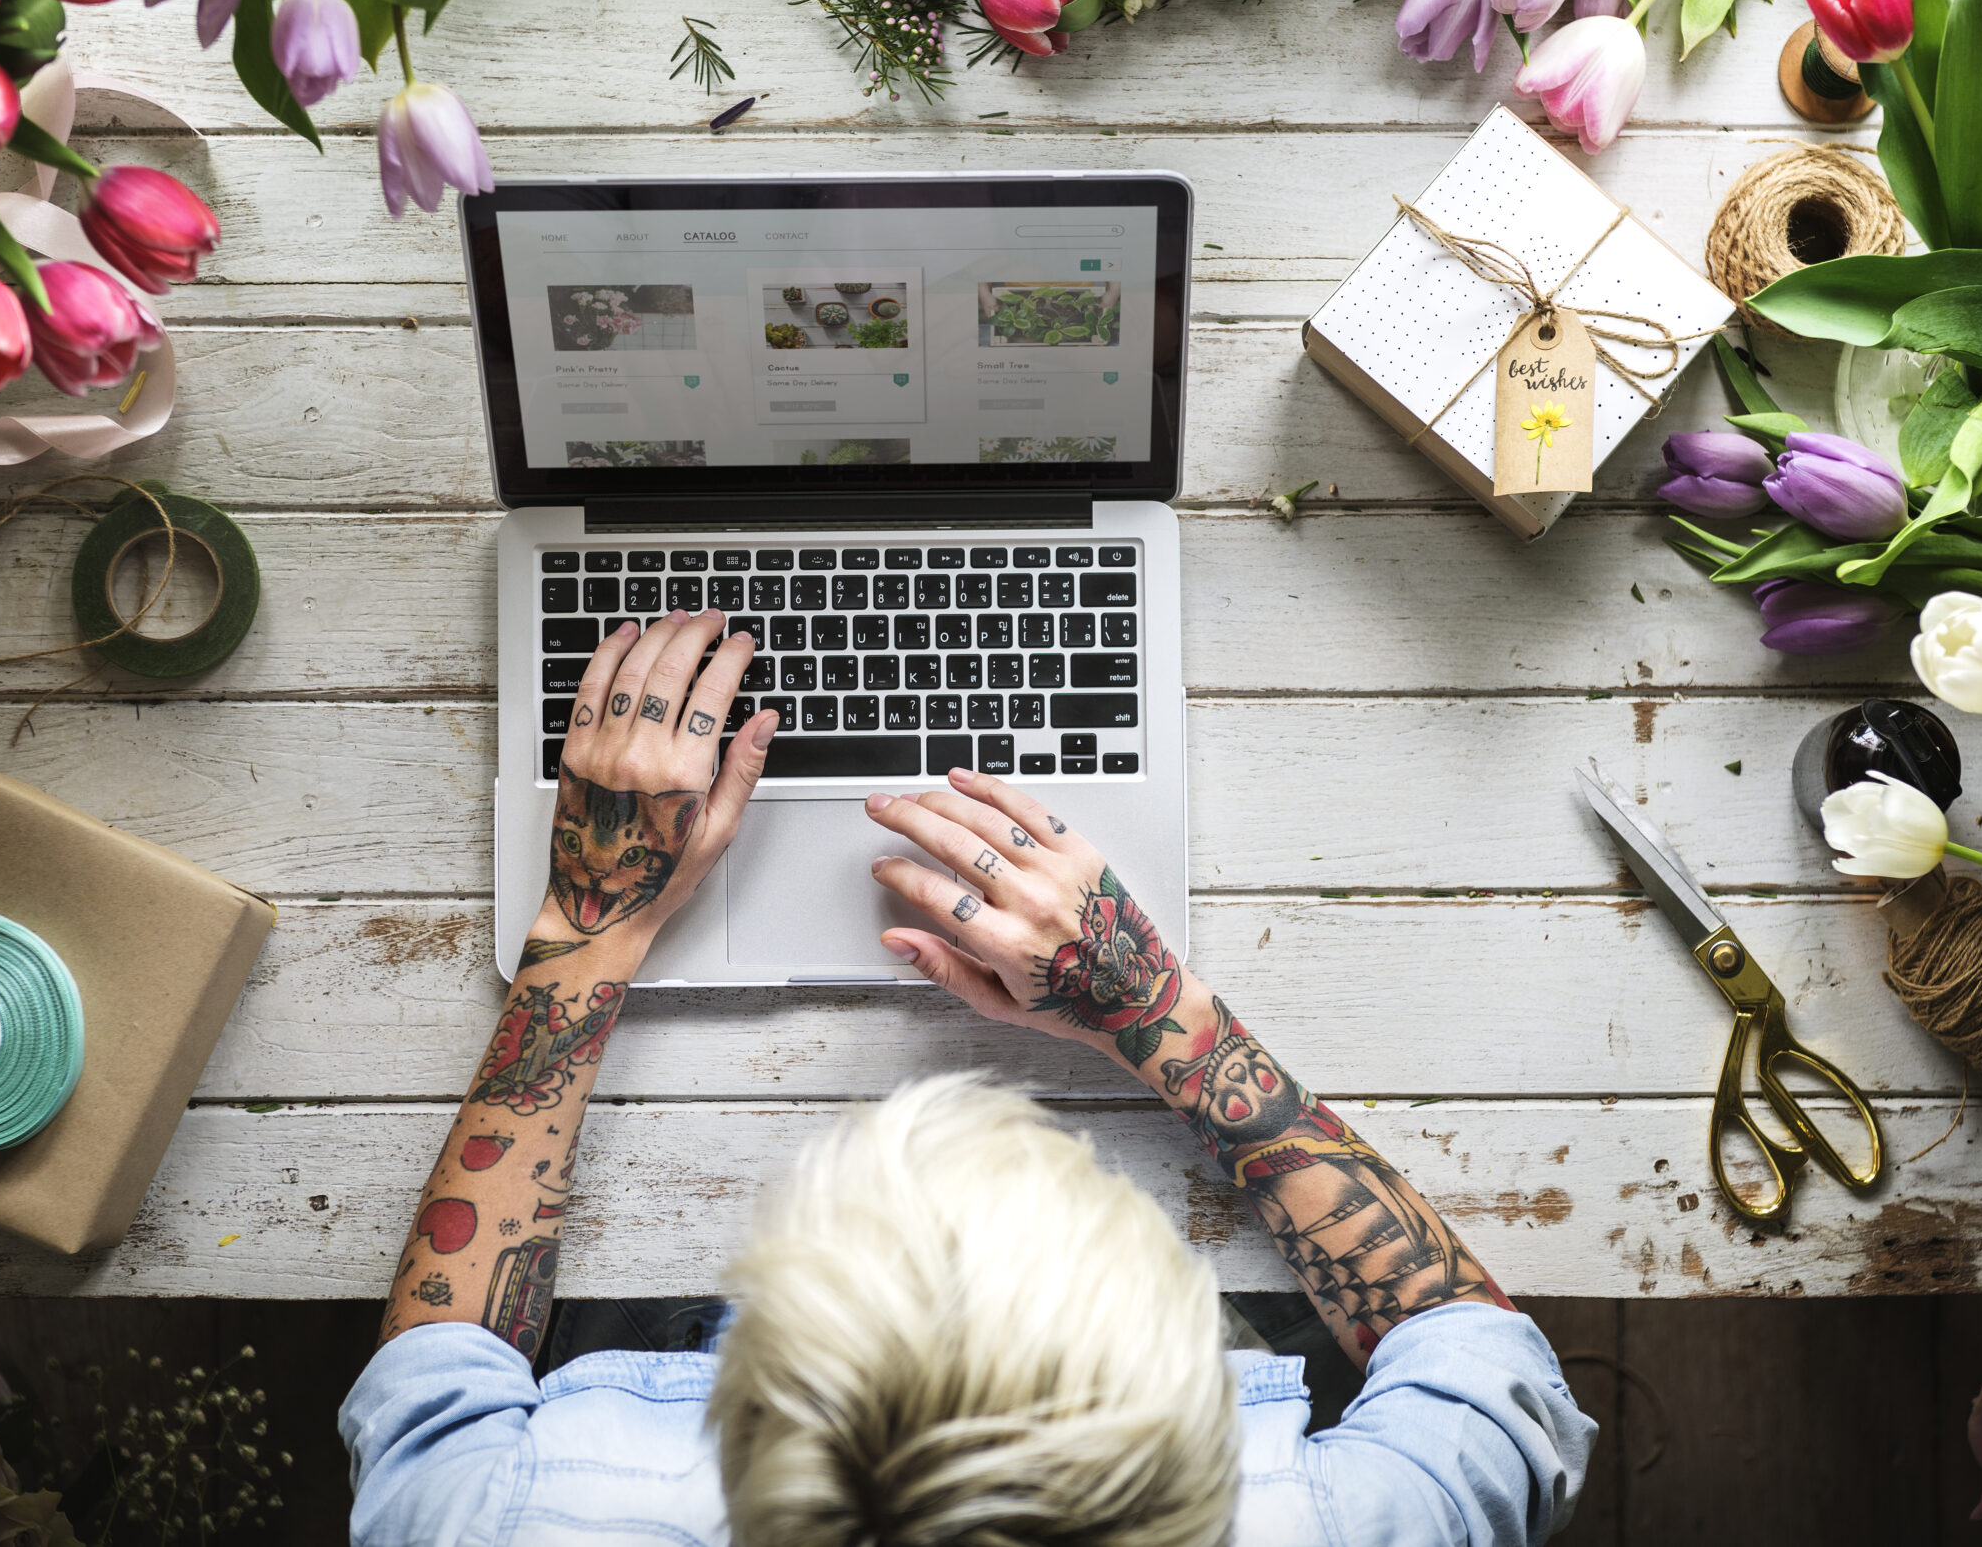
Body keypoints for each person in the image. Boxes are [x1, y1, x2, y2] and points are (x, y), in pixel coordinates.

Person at [342, 610, 1594, 1545]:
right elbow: (1484, 1366)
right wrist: (1158, 1013)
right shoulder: (1337, 1523)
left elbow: (433, 1387)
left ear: (759, 1420)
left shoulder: (501, 1517)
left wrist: (588, 920)